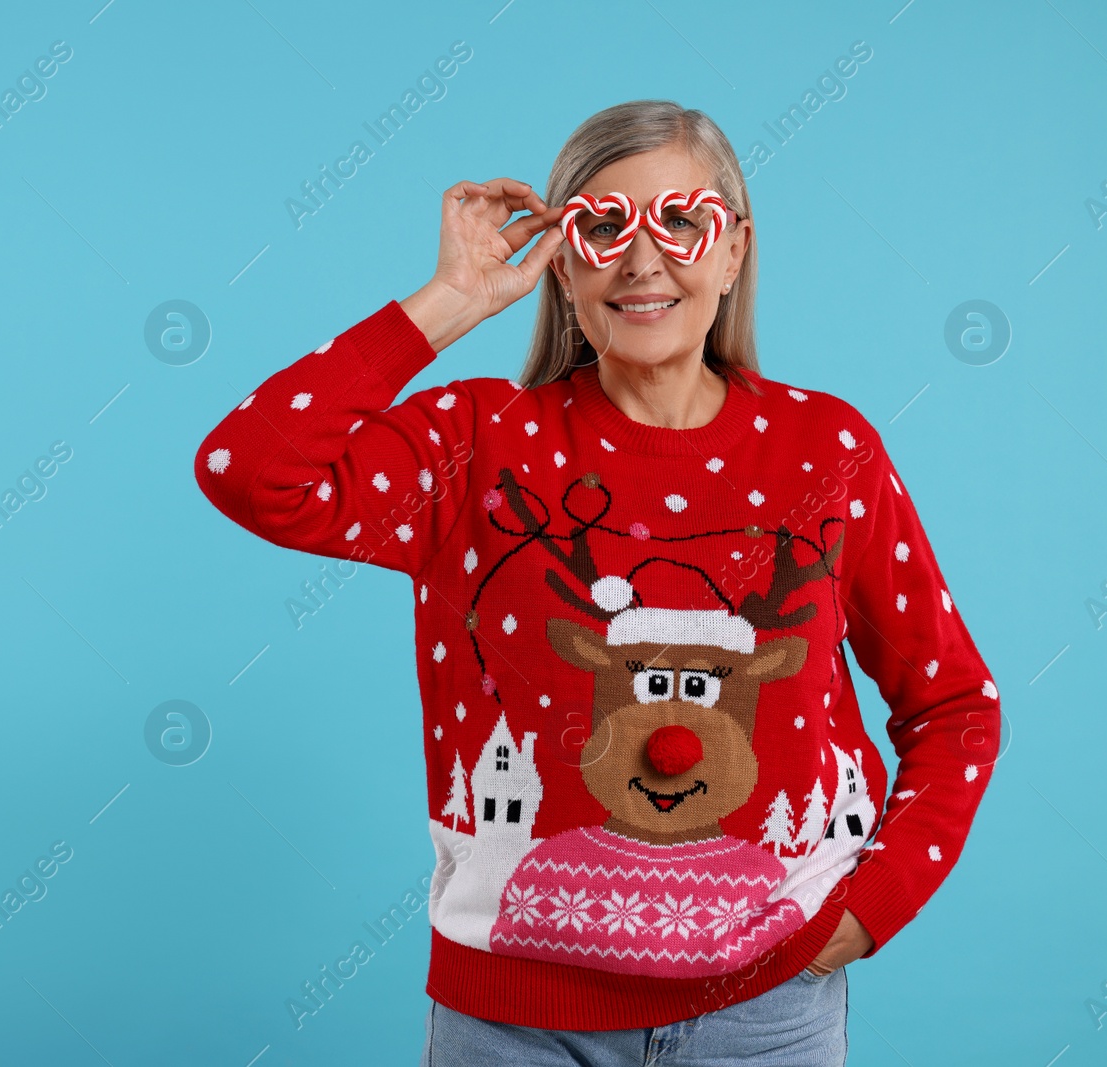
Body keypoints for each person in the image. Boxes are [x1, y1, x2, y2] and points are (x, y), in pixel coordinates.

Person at [193, 100, 1000, 1066]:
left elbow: (954, 703)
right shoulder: (475, 447)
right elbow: (248, 466)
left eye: (681, 221)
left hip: (768, 1013)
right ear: (563, 260)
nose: (642, 260)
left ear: (734, 249)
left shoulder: (829, 450)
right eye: (602, 226)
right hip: (516, 1027)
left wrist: (873, 908)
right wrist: (449, 303)